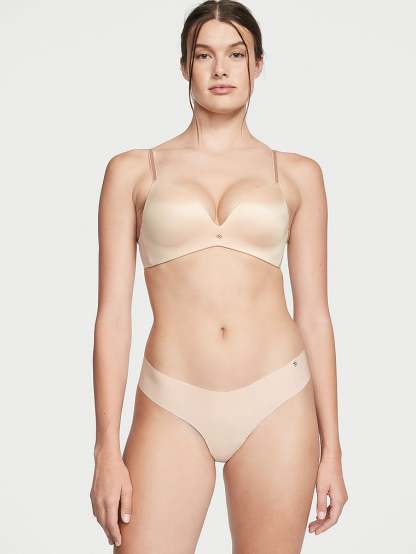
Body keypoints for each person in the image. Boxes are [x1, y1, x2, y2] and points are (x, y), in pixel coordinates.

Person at [90, 1, 348, 552]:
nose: (221, 69)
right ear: (185, 66)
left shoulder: (298, 174)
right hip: (171, 399)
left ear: (258, 64)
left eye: (236, 54)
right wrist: (105, 449)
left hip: (279, 399)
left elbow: (315, 316)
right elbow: (112, 316)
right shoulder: (133, 170)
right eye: (204, 55)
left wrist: (333, 450)